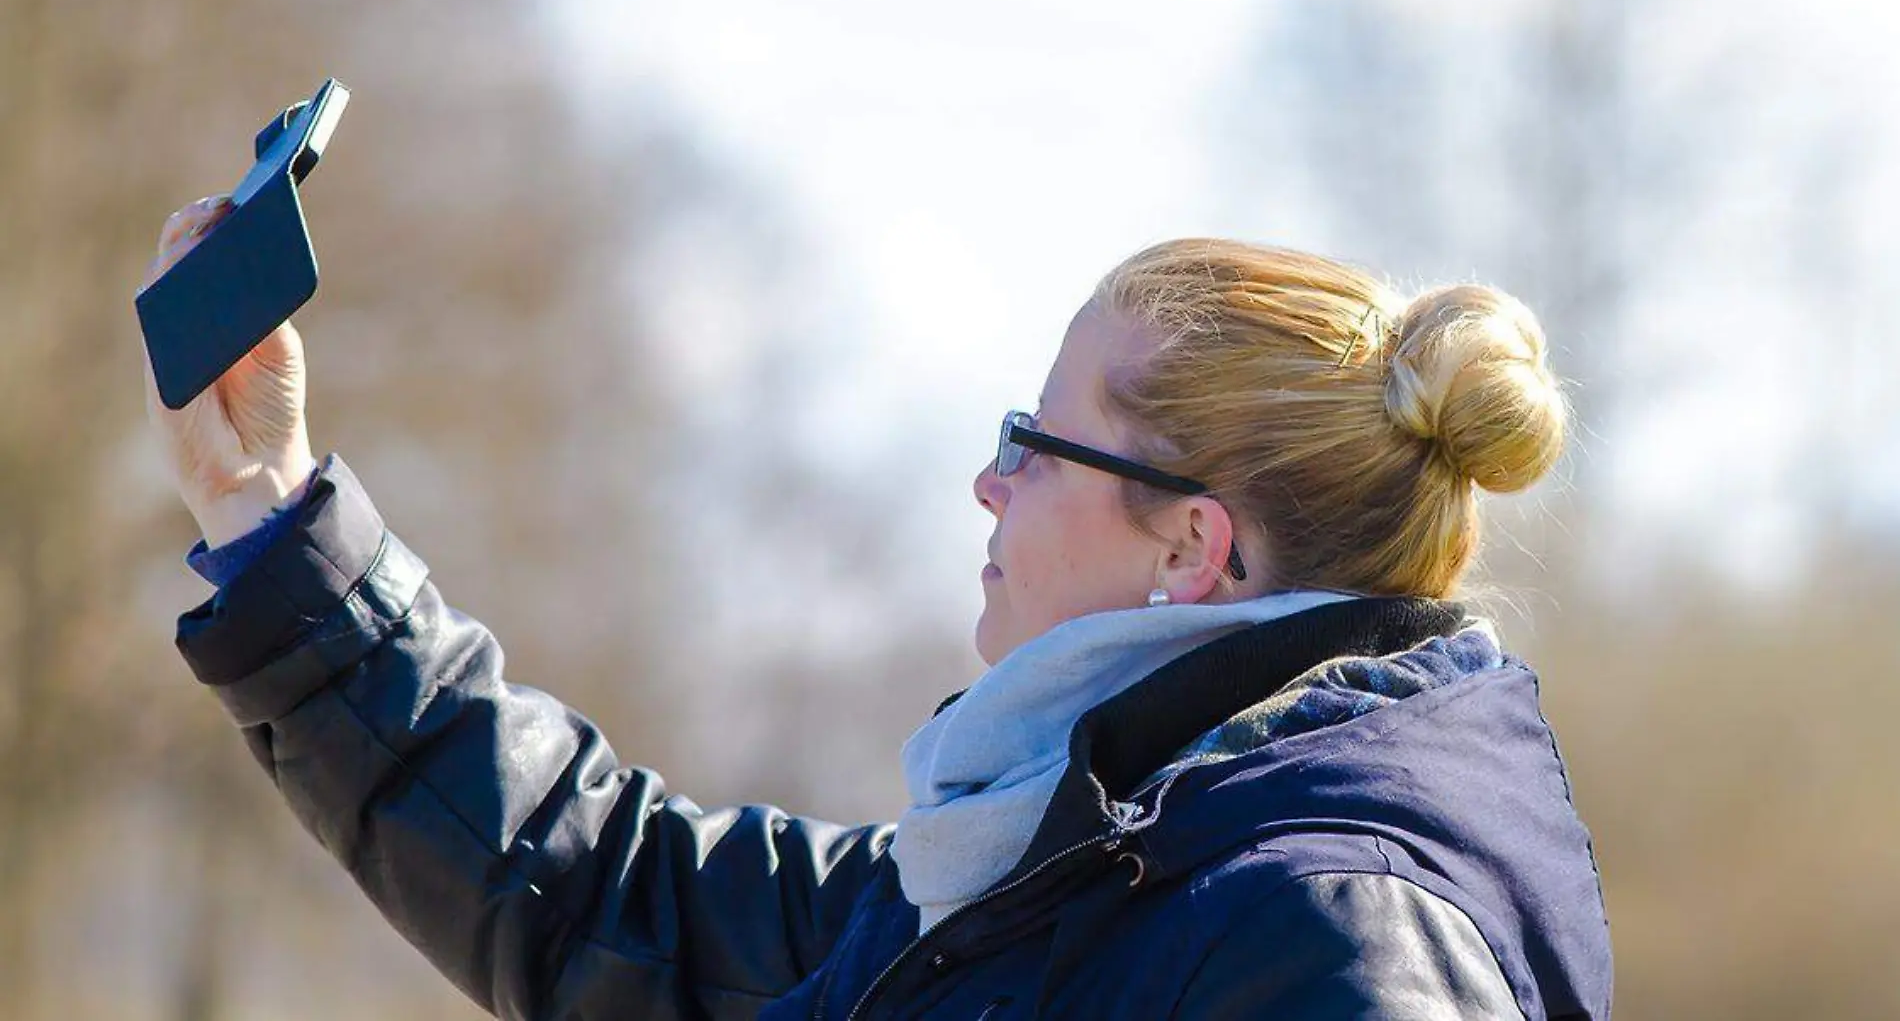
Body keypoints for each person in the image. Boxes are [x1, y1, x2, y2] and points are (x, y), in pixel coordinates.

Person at [142, 195, 1613, 1020]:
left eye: (1039, 445)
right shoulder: (1063, 871)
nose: (991, 484)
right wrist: (268, 519)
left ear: (1196, 550)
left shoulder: (1333, 941)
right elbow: (610, 893)